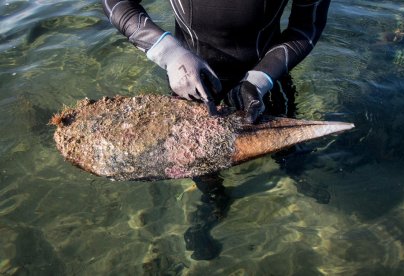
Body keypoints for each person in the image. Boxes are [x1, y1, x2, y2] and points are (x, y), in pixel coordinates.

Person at [102, 0, 331, 260]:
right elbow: (118, 3)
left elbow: (306, 27)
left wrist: (261, 78)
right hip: (189, 77)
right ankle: (213, 198)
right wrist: (168, 52)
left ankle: (293, 165)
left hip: (267, 76)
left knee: (286, 142)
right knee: (200, 158)